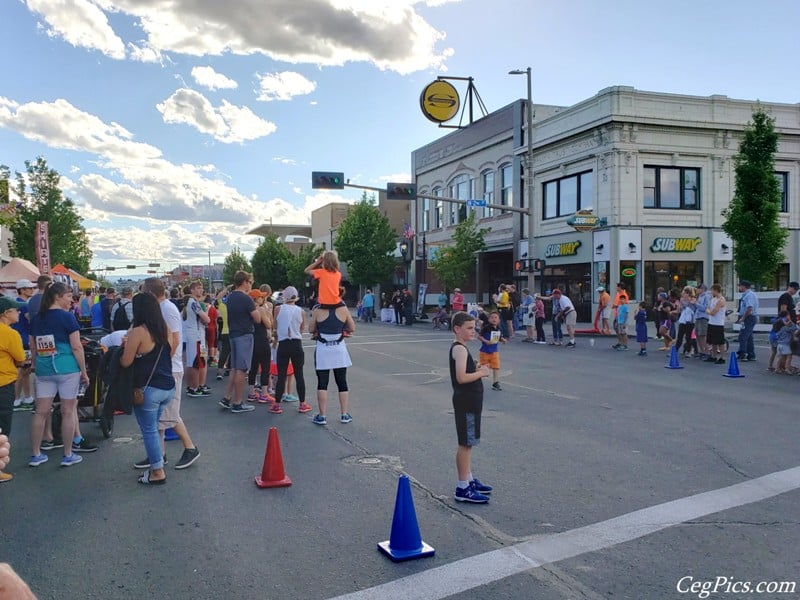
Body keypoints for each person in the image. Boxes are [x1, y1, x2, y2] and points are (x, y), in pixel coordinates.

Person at [136, 277, 200, 471]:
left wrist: (161, 362)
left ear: (150, 292)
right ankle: (158, 454)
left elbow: (174, 339)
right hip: (167, 367)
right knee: (162, 417)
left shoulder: (166, 309)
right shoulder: (164, 308)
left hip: (170, 368)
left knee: (169, 414)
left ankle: (190, 447)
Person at [29, 282, 94, 469]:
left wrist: (34, 364)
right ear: (57, 297)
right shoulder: (67, 318)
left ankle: (36, 454)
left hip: (44, 368)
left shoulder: (37, 318)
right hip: (67, 368)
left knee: (41, 412)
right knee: (68, 411)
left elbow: (33, 346)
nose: (71, 300)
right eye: (68, 296)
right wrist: (83, 371)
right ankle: (67, 454)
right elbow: (76, 346)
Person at [120, 292, 175, 484]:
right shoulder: (165, 328)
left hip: (148, 389)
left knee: (149, 430)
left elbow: (126, 362)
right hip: (168, 386)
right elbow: (171, 351)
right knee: (153, 427)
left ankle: (157, 471)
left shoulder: (138, 332)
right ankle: (158, 461)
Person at [449, 311, 492, 503]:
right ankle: (462, 487)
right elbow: (461, 378)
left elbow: (465, 372)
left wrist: (475, 368)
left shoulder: (463, 348)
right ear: (457, 329)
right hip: (466, 401)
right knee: (466, 444)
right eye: (469, 328)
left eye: (474, 328)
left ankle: (469, 478)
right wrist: (481, 373)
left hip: (471, 401)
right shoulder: (459, 349)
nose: (473, 331)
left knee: (470, 442)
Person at [308, 301, 356, 425]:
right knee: (342, 381)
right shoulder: (343, 309)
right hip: (339, 348)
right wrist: (342, 329)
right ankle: (344, 414)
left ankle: (322, 415)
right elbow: (352, 328)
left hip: (323, 349)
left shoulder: (317, 311)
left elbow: (311, 329)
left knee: (322, 383)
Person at [218, 272, 259, 413]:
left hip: (233, 334)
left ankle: (227, 397)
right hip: (244, 334)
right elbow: (257, 318)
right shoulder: (246, 298)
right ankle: (238, 402)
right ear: (245, 282)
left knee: (235, 368)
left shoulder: (230, 297)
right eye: (250, 282)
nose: (251, 285)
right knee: (241, 369)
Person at [0, 296, 27, 482]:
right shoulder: (9, 334)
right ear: (5, 314)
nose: (18, 312)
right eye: (15, 310)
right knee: (2, 428)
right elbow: (20, 359)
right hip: (3, 384)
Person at [269, 286, 308, 415]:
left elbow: (274, 326)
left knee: (281, 375)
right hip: (296, 343)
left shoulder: (278, 309)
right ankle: (302, 404)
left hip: (283, 343)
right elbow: (302, 328)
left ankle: (277, 404)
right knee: (299, 374)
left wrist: (276, 338)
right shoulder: (301, 311)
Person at [182, 281, 211, 397]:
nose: (201, 290)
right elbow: (207, 319)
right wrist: (206, 312)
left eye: (201, 288)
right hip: (196, 337)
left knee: (200, 360)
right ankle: (195, 387)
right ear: (192, 290)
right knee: (196, 362)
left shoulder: (192, 303)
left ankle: (196, 385)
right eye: (198, 288)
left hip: (199, 336)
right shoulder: (194, 303)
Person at [11, 279, 35, 411]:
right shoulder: (24, 305)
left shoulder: (15, 303)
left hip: (20, 339)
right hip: (24, 340)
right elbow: (31, 320)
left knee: (25, 370)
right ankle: (16, 399)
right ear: (22, 290)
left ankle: (27, 397)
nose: (31, 290)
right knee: (21, 371)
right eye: (29, 288)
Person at [246, 289, 273, 402]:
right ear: (256, 299)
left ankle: (251, 392)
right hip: (262, 340)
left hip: (251, 341)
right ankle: (264, 393)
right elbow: (268, 324)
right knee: (265, 367)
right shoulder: (260, 309)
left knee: (253, 367)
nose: (263, 298)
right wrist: (267, 314)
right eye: (261, 297)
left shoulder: (247, 310)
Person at [478, 311, 505, 391]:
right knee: (483, 368)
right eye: (492, 317)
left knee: (496, 367)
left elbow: (499, 338)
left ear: (499, 320)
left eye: (496, 317)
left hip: (494, 351)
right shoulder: (486, 328)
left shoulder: (499, 329)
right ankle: (477, 381)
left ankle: (495, 382)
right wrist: (486, 341)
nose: (494, 319)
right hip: (484, 351)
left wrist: (503, 340)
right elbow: (479, 336)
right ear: (489, 319)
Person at [735, 280, 759, 362]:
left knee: (743, 336)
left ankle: (743, 353)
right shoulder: (747, 295)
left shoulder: (749, 295)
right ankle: (751, 354)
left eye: (740, 286)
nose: (739, 287)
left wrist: (743, 317)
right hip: (749, 317)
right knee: (749, 337)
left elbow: (749, 308)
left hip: (749, 317)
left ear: (744, 286)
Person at [705, 284, 727, 364]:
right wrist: (709, 311)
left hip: (718, 323)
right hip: (711, 322)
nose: (711, 292)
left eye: (712, 290)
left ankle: (722, 357)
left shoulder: (721, 300)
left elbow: (714, 312)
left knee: (720, 342)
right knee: (712, 341)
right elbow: (708, 308)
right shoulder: (713, 299)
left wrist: (709, 311)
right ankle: (713, 356)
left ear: (716, 290)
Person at [773, 310, 797, 374]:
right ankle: (787, 368)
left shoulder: (781, 329)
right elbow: (794, 328)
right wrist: (791, 322)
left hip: (779, 345)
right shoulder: (788, 328)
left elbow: (777, 335)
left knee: (780, 357)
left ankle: (777, 368)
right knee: (789, 356)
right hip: (785, 344)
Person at [693, 283, 711, 359]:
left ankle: (707, 351)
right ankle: (701, 351)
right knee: (697, 334)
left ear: (702, 289)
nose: (696, 290)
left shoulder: (707, 296)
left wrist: (696, 303)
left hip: (703, 317)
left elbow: (706, 308)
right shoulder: (699, 296)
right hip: (698, 317)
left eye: (698, 288)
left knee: (703, 335)